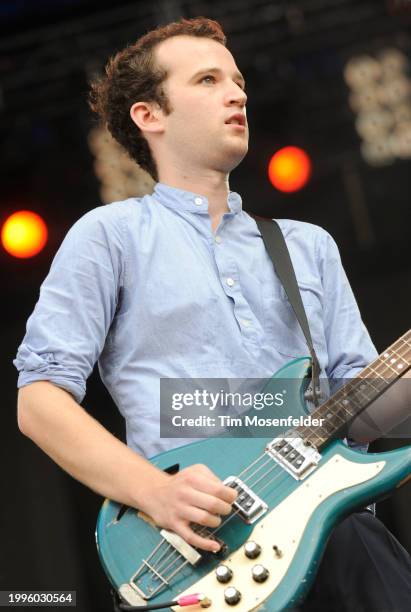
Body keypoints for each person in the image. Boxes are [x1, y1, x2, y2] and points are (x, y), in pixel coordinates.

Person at [14, 16, 411, 611]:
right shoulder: (111, 236)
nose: (238, 93)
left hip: (334, 537)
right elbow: (39, 401)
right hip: (197, 552)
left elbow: (360, 411)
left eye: (239, 80)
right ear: (150, 116)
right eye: (207, 79)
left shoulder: (307, 245)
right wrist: (155, 491)